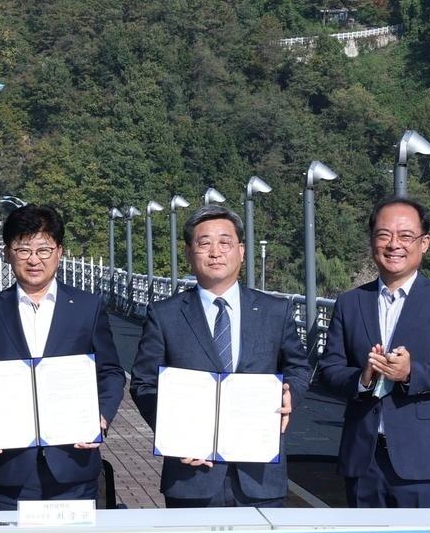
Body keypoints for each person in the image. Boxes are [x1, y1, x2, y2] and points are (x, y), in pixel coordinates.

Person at [129, 205, 311, 508]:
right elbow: (143, 384)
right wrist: (175, 435)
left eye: (225, 243)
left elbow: (298, 367)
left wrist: (292, 391)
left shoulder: (275, 311)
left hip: (261, 475)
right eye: (204, 243)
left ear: (241, 251)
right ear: (189, 253)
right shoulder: (165, 315)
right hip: (190, 475)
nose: (215, 252)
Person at [0, 204, 127, 510]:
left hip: (74, 463)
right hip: (10, 466)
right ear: (8, 253)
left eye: (44, 249)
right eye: (23, 250)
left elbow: (111, 372)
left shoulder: (86, 308)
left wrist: (101, 417)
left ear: (59, 252)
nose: (34, 259)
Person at [320, 198, 430, 508]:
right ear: (372, 241)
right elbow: (328, 370)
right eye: (384, 235)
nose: (394, 245)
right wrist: (362, 379)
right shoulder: (350, 303)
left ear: (424, 243)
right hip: (364, 458)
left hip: (425, 460)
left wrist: (410, 373)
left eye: (405, 236)